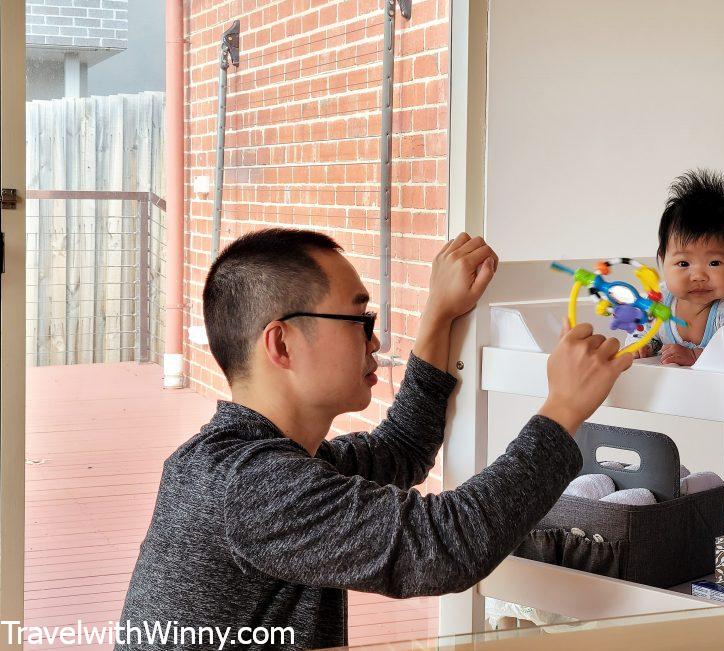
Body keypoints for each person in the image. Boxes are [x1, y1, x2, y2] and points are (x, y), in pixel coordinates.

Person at [115, 229, 632, 651]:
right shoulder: (249, 485)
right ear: (282, 342)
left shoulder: (255, 461)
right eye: (358, 320)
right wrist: (563, 408)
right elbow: (445, 546)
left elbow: (400, 449)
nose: (375, 340)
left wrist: (439, 314)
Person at [638, 169, 724, 366]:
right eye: (683, 263)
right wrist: (642, 347)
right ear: (663, 260)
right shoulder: (659, 302)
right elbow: (645, 335)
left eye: (714, 263)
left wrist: (696, 356)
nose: (698, 275)